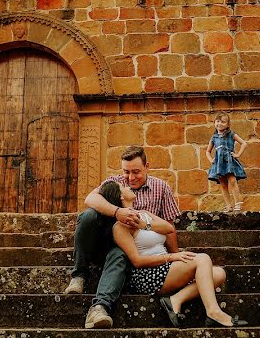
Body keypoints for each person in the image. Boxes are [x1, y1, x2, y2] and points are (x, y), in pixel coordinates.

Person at [100, 180, 248, 328]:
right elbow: (137, 261)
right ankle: (214, 312)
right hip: (147, 275)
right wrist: (172, 257)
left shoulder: (143, 214)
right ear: (120, 197)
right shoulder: (120, 228)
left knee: (219, 273)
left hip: (166, 268)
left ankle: (176, 299)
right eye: (123, 187)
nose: (128, 186)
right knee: (203, 259)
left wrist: (144, 224)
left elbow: (168, 228)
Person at [63, 145, 181, 329]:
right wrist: (118, 212)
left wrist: (175, 256)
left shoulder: (161, 188)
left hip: (131, 250)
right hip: (105, 242)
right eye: (126, 172)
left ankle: (99, 308)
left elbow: (169, 226)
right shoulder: (115, 182)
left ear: (147, 166)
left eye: (136, 172)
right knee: (88, 216)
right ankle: (79, 275)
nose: (130, 178)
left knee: (120, 253)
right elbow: (90, 199)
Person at [206, 113, 247, 212]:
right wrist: (211, 160)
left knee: (232, 181)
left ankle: (237, 203)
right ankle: (229, 206)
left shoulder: (231, 134)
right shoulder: (214, 137)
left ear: (228, 124)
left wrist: (237, 154)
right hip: (219, 164)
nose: (219, 123)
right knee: (223, 184)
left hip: (229, 162)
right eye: (218, 121)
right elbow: (207, 151)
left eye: (223, 122)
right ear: (214, 123)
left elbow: (244, 143)